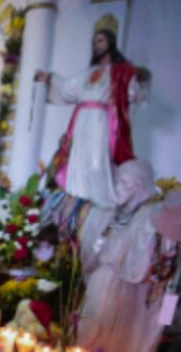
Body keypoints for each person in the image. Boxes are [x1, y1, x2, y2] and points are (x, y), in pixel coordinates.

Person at [76, 160, 181, 352]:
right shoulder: (113, 213)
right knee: (88, 342)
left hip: (132, 303)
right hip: (100, 290)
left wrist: (164, 323)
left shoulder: (154, 225)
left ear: (138, 186)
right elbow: (93, 254)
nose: (116, 188)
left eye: (123, 183)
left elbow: (171, 284)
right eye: (117, 182)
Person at [35, 14, 150, 208]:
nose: (96, 45)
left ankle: (99, 204)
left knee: (97, 163)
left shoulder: (121, 71)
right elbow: (66, 88)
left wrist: (139, 78)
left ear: (111, 43)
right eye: (95, 41)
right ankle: (77, 200)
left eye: (101, 40)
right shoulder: (86, 74)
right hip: (81, 122)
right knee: (78, 161)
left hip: (102, 122)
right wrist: (49, 78)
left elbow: (135, 93)